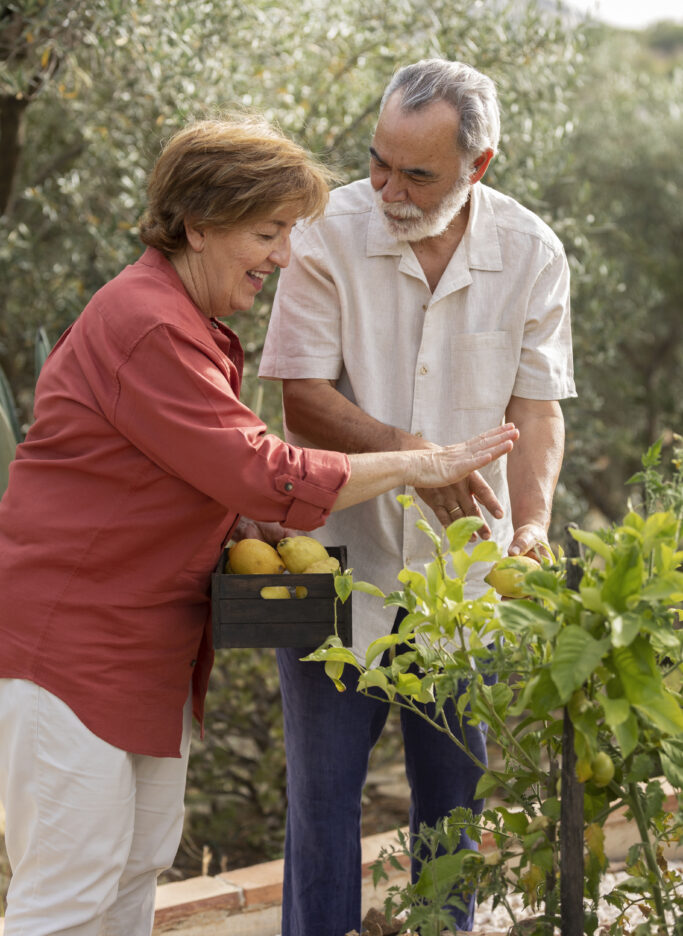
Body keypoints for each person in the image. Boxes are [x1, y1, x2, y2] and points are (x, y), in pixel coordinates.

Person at [0, 112, 517, 936]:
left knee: (129, 874)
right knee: (68, 894)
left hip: (142, 653)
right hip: (73, 651)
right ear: (198, 226)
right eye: (268, 233)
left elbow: (192, 474)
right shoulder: (147, 322)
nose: (282, 256)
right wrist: (418, 464)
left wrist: (242, 519)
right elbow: (264, 468)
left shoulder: (189, 324)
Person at [259, 58, 577, 934]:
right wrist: (417, 459)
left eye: (416, 173)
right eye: (377, 162)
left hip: (463, 580)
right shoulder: (326, 232)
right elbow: (302, 398)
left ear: (478, 167)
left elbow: (537, 408)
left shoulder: (531, 252)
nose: (386, 187)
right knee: (321, 808)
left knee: (453, 809)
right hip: (330, 565)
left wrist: (535, 523)